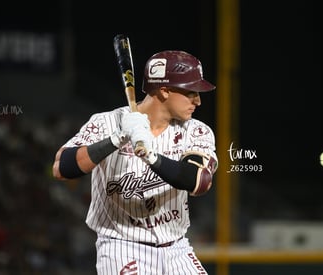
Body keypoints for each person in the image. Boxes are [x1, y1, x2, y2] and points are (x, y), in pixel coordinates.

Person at [52, 50, 218, 274]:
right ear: (165, 90)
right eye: (191, 92)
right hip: (122, 247)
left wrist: (151, 157)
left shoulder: (196, 131)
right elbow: (62, 168)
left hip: (177, 248)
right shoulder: (107, 123)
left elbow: (199, 181)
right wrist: (116, 138)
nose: (197, 100)